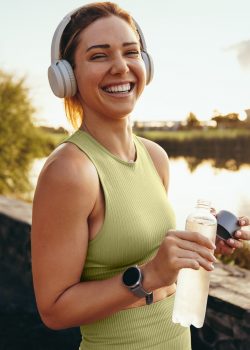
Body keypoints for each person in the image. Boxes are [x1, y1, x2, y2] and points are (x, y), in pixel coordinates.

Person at [31, 2, 250, 349]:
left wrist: (199, 247)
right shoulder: (70, 170)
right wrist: (147, 277)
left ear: (145, 64)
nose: (120, 67)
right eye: (99, 56)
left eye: (131, 52)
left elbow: (150, 255)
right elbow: (54, 310)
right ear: (66, 76)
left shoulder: (155, 156)